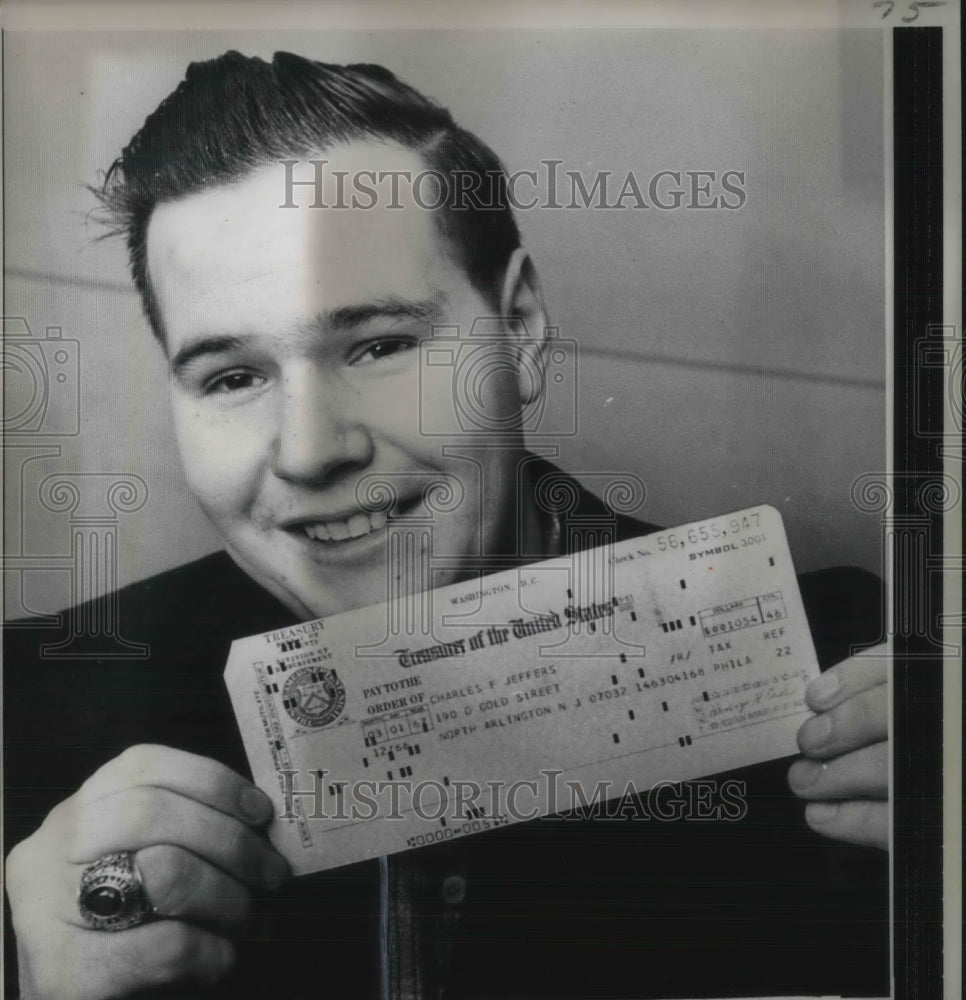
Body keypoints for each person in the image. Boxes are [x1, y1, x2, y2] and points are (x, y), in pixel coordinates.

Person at [4, 51, 889, 999]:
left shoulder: (845, 679)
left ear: (521, 330)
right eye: (232, 376)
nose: (308, 452)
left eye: (380, 345)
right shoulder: (30, 717)